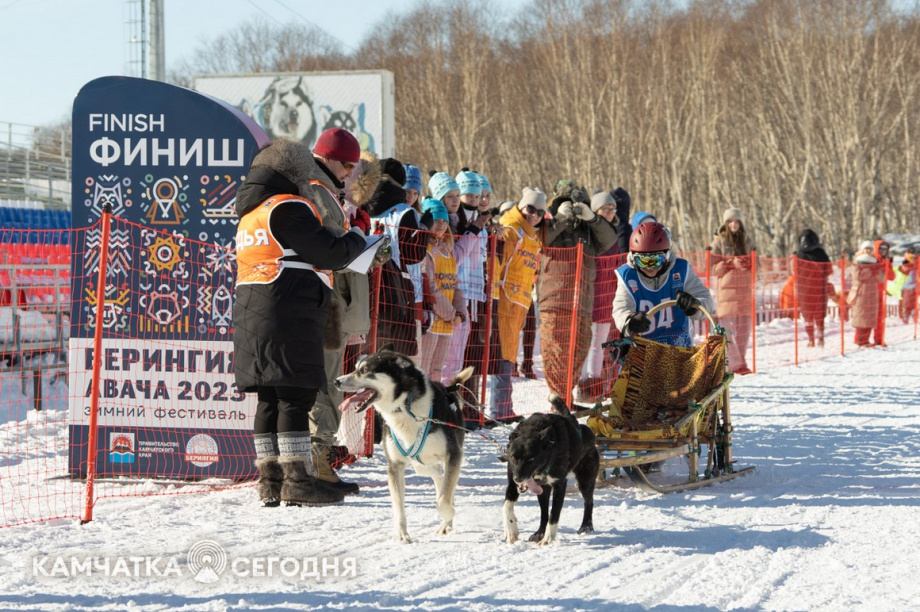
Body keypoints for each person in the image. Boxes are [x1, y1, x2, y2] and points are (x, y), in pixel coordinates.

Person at [234, 136, 367, 507]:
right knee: (294, 396)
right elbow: (330, 252)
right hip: (289, 309)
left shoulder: (251, 213)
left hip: (252, 312)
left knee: (268, 399)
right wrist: (357, 239)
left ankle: (270, 482)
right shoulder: (288, 207)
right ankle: (299, 480)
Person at [308, 134, 382, 496]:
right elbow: (329, 251)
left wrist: (368, 249)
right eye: (348, 169)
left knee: (330, 380)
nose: (350, 177)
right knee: (324, 382)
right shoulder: (320, 200)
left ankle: (319, 458)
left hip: (339, 306)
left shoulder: (346, 209)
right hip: (326, 305)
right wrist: (357, 246)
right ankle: (315, 460)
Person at [538, 180, 618, 412]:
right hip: (555, 300)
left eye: (578, 204)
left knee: (580, 349)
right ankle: (557, 399)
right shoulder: (548, 222)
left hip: (582, 301)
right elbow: (544, 239)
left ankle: (565, 395)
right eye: (567, 203)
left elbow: (609, 239)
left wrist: (591, 218)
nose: (573, 207)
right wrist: (561, 218)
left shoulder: (589, 230)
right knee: (556, 353)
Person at [487, 187, 547, 422]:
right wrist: (492, 294)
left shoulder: (531, 234)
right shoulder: (511, 229)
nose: (534, 215)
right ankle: (498, 408)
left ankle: (504, 406)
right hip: (504, 299)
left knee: (510, 353)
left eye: (540, 212)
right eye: (530, 209)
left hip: (519, 301)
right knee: (502, 352)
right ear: (521, 206)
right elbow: (497, 262)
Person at [613, 221, 714, 347]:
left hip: (679, 349)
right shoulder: (628, 276)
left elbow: (708, 302)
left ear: (667, 256)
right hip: (643, 352)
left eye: (655, 261)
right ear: (633, 257)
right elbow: (621, 309)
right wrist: (629, 322)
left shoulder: (681, 270)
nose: (649, 268)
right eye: (643, 261)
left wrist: (694, 305)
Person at [368, 159, 432, 358]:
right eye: (407, 190)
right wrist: (424, 231)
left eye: (415, 192)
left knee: (369, 353)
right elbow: (413, 255)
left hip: (368, 286)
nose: (410, 196)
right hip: (399, 291)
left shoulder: (364, 207)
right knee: (402, 360)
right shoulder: (405, 213)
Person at [577, 190, 623, 403]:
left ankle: (593, 386)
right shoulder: (590, 233)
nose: (610, 213)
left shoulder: (614, 231)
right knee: (586, 342)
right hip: (591, 291)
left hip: (607, 293)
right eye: (605, 209)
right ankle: (583, 382)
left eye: (612, 209)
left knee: (599, 343)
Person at [418, 197, 466, 382]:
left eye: (444, 221)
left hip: (448, 322)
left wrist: (460, 312)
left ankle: (434, 408)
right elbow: (430, 287)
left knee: (437, 371)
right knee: (423, 370)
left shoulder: (447, 250)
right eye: (436, 220)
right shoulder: (426, 249)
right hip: (432, 321)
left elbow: (455, 284)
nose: (440, 225)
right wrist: (451, 313)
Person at [709, 207, 756, 374]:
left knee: (744, 331)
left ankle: (741, 363)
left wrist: (749, 264)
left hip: (744, 293)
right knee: (727, 332)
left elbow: (758, 265)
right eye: (730, 221)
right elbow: (712, 268)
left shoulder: (748, 241)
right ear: (725, 223)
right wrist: (729, 263)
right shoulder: (718, 243)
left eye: (737, 221)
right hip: (727, 295)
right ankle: (735, 364)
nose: (734, 224)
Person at [793, 229, 834, 348]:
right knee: (819, 315)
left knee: (808, 315)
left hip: (804, 289)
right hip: (819, 288)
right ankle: (820, 337)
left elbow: (795, 272)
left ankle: (811, 340)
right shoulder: (821, 253)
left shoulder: (798, 254)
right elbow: (829, 270)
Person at [848, 240, 885, 347]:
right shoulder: (857, 261)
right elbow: (857, 276)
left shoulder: (875, 262)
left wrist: (878, 271)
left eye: (870, 249)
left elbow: (881, 279)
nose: (868, 251)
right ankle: (860, 340)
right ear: (862, 250)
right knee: (861, 317)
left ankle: (866, 340)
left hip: (872, 293)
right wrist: (870, 271)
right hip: (861, 293)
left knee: (870, 318)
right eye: (866, 248)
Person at [871, 239, 895, 346]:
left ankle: (879, 340)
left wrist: (887, 265)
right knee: (866, 316)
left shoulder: (886, 261)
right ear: (877, 248)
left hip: (880, 292)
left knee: (880, 317)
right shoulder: (871, 259)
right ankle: (862, 340)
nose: (883, 250)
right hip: (869, 292)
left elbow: (891, 277)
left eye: (885, 249)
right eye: (881, 248)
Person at [898, 246, 918, 324]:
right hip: (907, 285)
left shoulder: (917, 260)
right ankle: (906, 314)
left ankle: (913, 313)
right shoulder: (907, 261)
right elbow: (904, 270)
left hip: (916, 284)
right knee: (907, 302)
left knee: (912, 301)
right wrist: (906, 264)